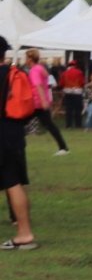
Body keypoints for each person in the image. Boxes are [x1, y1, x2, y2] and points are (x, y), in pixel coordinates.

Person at [2, 42, 39, 249]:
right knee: (14, 183)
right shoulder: (14, 73)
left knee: (12, 182)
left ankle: (24, 234)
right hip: (13, 133)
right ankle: (24, 232)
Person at [23, 50, 69, 155]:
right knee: (49, 125)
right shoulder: (40, 68)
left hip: (37, 103)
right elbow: (46, 84)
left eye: (26, 58)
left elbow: (38, 86)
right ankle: (63, 147)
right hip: (41, 102)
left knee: (18, 123)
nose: (25, 60)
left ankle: (12, 147)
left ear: (30, 59)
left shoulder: (34, 70)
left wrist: (43, 101)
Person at [59, 59, 84, 132]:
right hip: (77, 92)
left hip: (68, 92)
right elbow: (82, 82)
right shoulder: (79, 72)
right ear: (75, 65)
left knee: (68, 110)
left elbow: (61, 83)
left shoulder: (64, 73)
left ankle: (68, 125)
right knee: (78, 110)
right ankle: (78, 125)